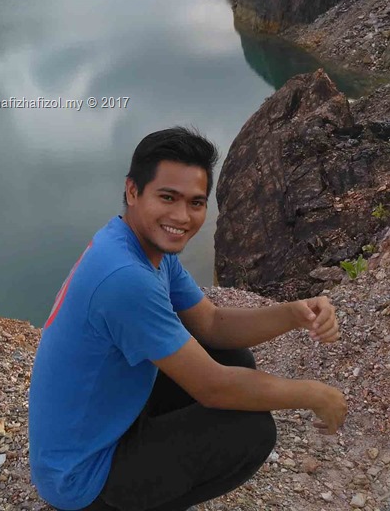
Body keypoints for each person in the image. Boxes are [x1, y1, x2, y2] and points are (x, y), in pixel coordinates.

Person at [29, 127, 347, 511]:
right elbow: (213, 388)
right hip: (82, 478)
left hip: (100, 426)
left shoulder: (138, 243)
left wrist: (293, 313)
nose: (182, 217)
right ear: (133, 191)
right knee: (251, 432)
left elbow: (211, 323)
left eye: (196, 203)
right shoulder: (126, 279)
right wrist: (315, 395)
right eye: (168, 197)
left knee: (234, 358)